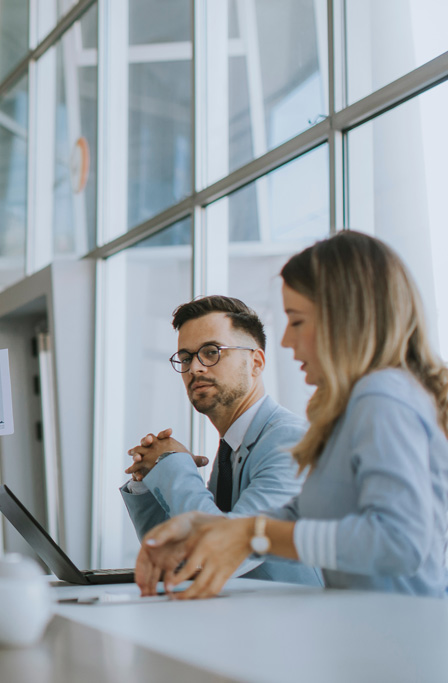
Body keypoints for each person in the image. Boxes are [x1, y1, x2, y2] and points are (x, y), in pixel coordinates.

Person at [136, 231, 448, 599]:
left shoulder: (382, 398)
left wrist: (253, 533)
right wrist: (204, 526)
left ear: (344, 320)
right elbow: (301, 516)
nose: (284, 340)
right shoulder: (353, 411)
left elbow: (401, 542)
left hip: (401, 641)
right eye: (187, 358)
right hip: (367, 635)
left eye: (297, 321)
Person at [120, 296, 320, 586]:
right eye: (186, 358)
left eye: (211, 352)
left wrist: (172, 464)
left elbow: (231, 553)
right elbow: (177, 559)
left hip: (294, 625)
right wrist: (147, 478)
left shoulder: (287, 441)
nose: (195, 368)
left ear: (256, 362)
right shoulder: (232, 450)